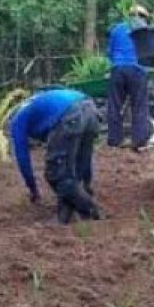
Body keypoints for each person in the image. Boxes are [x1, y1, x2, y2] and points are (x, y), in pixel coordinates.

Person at [10, 88, 103, 224]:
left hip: (70, 115)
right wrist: (86, 182)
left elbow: (23, 158)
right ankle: (64, 217)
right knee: (71, 173)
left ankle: (91, 210)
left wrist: (33, 189)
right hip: (90, 108)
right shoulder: (36, 103)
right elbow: (84, 160)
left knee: (56, 174)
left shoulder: (18, 121)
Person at [106, 4, 152, 150]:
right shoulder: (145, 30)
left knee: (115, 105)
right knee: (139, 106)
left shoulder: (117, 28)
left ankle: (114, 141)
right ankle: (139, 142)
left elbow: (110, 52)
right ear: (143, 17)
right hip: (138, 69)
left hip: (118, 69)